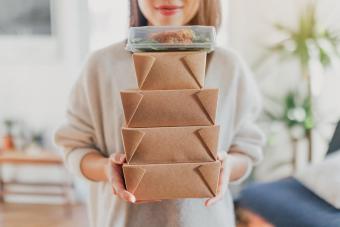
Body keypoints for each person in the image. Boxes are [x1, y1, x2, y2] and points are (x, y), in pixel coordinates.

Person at [54, 0, 265, 226]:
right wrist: (107, 169)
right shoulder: (101, 66)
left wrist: (227, 166)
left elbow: (246, 149)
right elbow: (74, 146)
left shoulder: (229, 67)